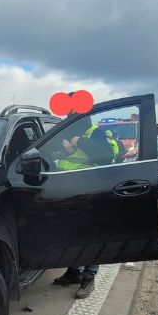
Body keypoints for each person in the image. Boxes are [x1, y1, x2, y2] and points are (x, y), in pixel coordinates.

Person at [51, 114, 123, 298]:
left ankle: (88, 278)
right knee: (73, 236)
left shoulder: (95, 133)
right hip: (69, 192)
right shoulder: (66, 129)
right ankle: (74, 272)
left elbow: (107, 157)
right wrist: (64, 148)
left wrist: (81, 142)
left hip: (90, 193)